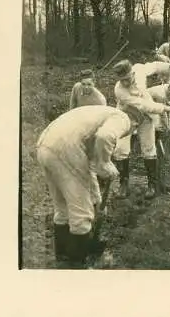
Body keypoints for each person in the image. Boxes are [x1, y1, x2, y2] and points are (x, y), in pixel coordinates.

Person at [36, 105, 135, 265]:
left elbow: (88, 166)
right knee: (81, 213)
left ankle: (62, 259)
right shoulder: (123, 118)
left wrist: (96, 197)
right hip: (66, 148)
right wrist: (105, 163)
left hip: (45, 145)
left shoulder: (98, 114)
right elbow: (106, 136)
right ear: (135, 122)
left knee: (62, 209)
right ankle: (77, 264)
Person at [111, 59, 170, 199]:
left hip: (146, 117)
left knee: (149, 148)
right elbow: (143, 105)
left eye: (126, 79)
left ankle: (152, 185)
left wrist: (169, 66)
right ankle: (123, 185)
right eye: (121, 80)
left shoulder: (139, 70)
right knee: (121, 149)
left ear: (132, 73)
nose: (124, 83)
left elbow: (154, 66)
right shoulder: (119, 90)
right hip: (127, 117)